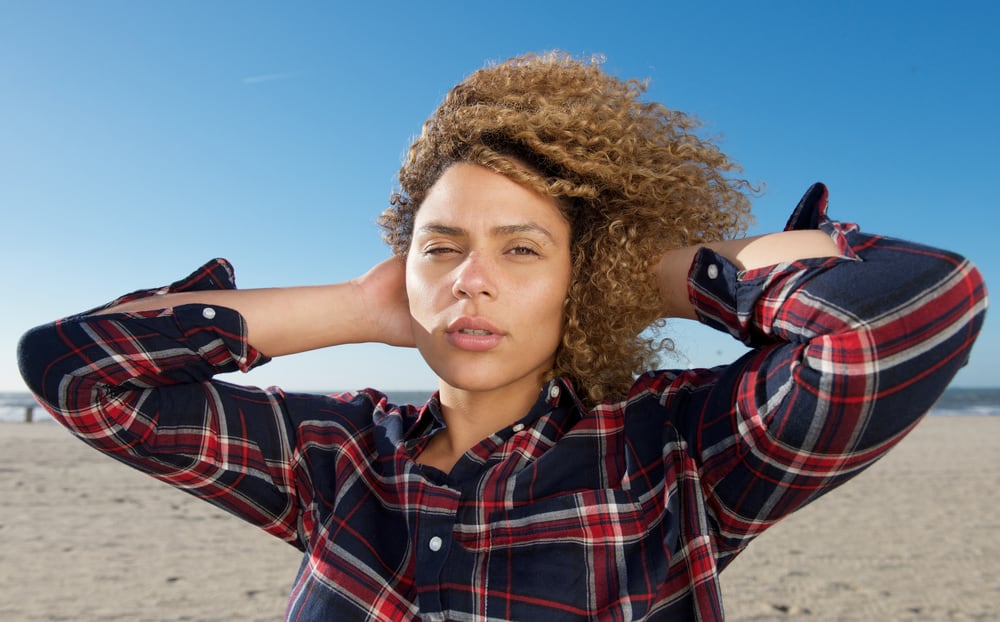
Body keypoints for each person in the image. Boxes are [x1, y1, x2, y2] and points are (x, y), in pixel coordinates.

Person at [18, 52, 987, 621]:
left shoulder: (680, 454)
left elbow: (903, 314)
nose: (471, 276)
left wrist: (638, 270)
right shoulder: (338, 456)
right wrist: (361, 308)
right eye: (442, 247)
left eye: (521, 250)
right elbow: (79, 369)